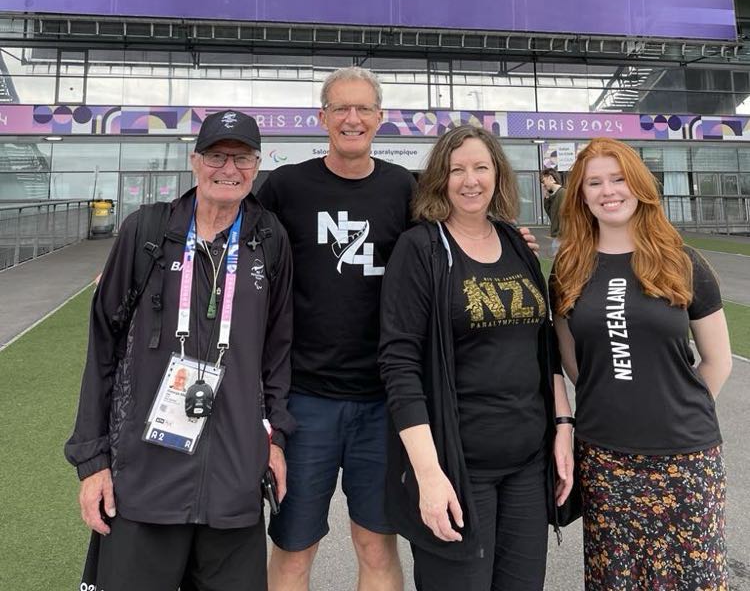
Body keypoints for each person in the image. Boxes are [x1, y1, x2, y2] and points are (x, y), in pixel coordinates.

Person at [258, 67, 544, 591]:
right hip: (306, 401)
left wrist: (508, 234)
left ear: (380, 118)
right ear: (322, 117)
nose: (352, 118)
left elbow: (460, 229)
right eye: (340, 108)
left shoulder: (403, 190)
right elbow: (230, 232)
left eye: (363, 108)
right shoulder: (285, 187)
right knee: (294, 550)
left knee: (376, 544)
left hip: (384, 406)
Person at [65, 109, 294, 591]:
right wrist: (93, 462)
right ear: (194, 161)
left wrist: (275, 439)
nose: (228, 170)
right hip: (145, 479)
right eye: (216, 156)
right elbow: (101, 349)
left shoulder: (269, 240)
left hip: (233, 483)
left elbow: (278, 351)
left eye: (242, 158)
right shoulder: (147, 233)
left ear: (257, 166)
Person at [378, 125, 574, 591]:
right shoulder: (420, 248)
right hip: (458, 467)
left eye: (481, 167)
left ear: (497, 174)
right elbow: (399, 365)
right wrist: (428, 475)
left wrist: (563, 427)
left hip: (528, 465)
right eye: (456, 169)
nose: (470, 180)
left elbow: (543, 345)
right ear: (439, 180)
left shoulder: (515, 243)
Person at [551, 137, 733, 591]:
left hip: (685, 459)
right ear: (581, 195)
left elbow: (718, 360)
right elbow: (574, 362)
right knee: (616, 580)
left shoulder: (683, 262)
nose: (608, 190)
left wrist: (670, 407)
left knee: (693, 581)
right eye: (594, 182)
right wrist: (621, 402)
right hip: (606, 459)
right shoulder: (569, 269)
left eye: (618, 179)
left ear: (639, 186)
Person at [541, 168, 566, 255]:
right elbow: (552, 216)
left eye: (543, 180)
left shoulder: (563, 194)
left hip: (564, 238)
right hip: (559, 237)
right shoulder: (554, 196)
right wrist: (546, 198)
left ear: (550, 178)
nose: (543, 184)